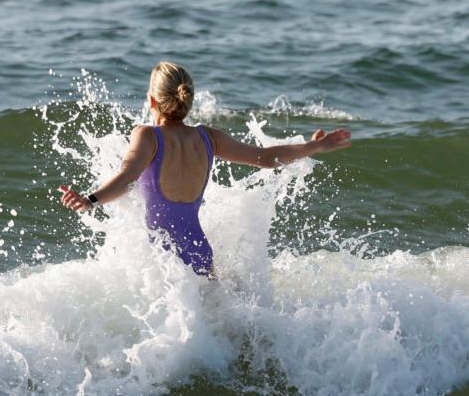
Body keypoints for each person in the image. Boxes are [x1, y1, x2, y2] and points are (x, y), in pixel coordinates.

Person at [59, 61, 351, 276]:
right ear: (188, 100)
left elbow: (126, 176)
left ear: (151, 101)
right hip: (200, 251)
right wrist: (312, 148)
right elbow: (266, 158)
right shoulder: (208, 138)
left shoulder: (148, 136)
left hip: (162, 259)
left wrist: (90, 200)